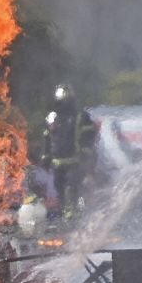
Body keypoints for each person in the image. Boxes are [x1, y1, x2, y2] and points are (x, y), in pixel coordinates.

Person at [42, 85, 97, 218]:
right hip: (57, 162)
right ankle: (64, 213)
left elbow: (89, 137)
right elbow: (47, 137)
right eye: (61, 99)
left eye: (65, 99)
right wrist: (45, 158)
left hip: (75, 161)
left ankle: (73, 214)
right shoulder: (52, 117)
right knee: (59, 188)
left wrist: (86, 156)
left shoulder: (81, 116)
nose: (63, 103)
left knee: (71, 187)